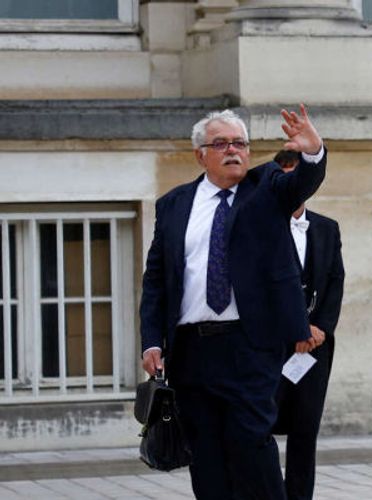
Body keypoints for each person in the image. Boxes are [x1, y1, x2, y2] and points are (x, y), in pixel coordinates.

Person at [139, 106, 326, 500]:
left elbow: (300, 186)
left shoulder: (267, 186)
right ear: (200, 154)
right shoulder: (173, 205)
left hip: (249, 345)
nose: (232, 150)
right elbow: (157, 278)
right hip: (191, 350)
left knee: (251, 445)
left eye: (239, 143)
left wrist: (313, 153)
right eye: (220, 143)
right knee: (205, 455)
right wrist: (152, 341)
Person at [271, 150, 346, 500]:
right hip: (271, 347)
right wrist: (292, 330)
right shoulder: (259, 228)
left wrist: (320, 328)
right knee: (260, 429)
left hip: (315, 348)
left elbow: (335, 282)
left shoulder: (327, 229)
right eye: (288, 175)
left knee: (305, 431)